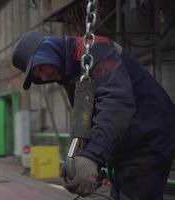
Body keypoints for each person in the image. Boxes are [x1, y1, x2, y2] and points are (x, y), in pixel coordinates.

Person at [11, 31, 175, 199]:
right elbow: (87, 119)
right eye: (37, 75)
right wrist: (82, 159)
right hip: (127, 144)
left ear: (48, 49)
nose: (44, 76)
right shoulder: (70, 72)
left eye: (40, 67)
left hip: (149, 136)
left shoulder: (94, 50)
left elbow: (115, 104)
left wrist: (92, 156)